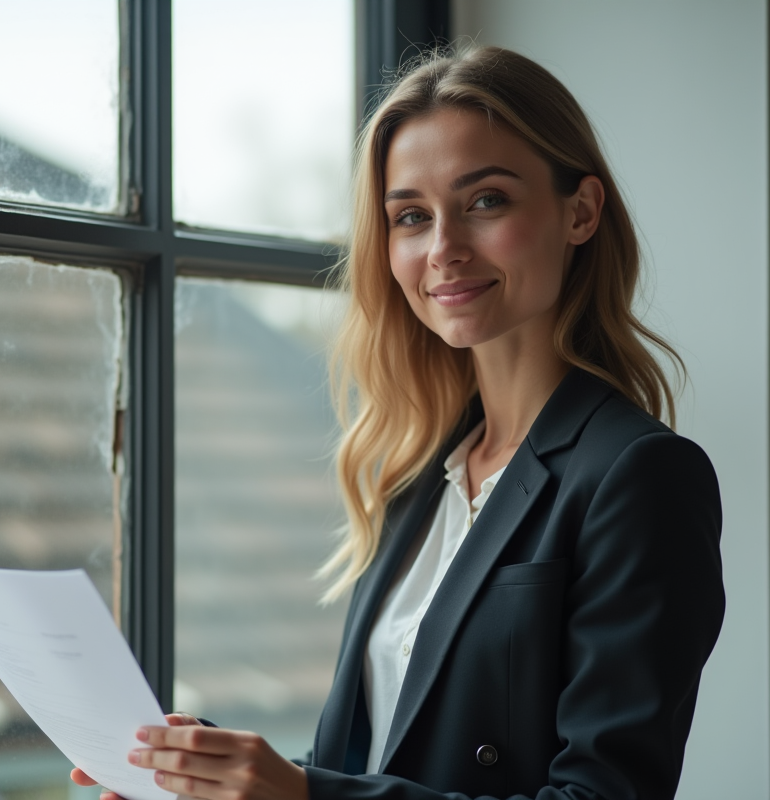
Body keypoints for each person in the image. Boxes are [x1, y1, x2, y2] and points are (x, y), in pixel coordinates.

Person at [73, 45, 724, 800]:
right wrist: (220, 777)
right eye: (411, 216)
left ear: (580, 212)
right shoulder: (418, 474)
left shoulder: (639, 474)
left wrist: (304, 797)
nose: (442, 249)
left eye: (486, 201)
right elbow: (383, 758)